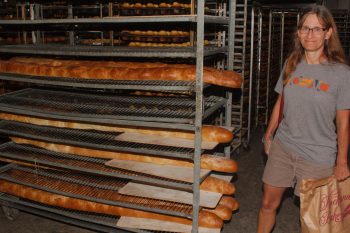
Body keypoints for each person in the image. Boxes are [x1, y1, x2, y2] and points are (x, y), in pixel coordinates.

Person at [257, 5, 350, 233]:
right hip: (284, 147)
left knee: (311, 221)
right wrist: (269, 135)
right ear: (298, 32)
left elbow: (343, 122)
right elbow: (281, 102)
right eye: (306, 28)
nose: (310, 35)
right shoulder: (292, 62)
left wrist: (341, 162)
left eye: (317, 29)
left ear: (328, 33)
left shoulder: (341, 73)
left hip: (317, 156)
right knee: (268, 204)